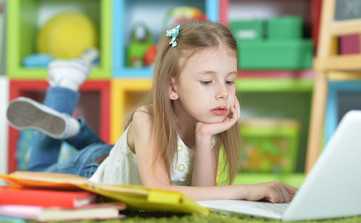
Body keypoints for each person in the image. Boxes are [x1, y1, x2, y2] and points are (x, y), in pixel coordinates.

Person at [7, 21, 297, 202]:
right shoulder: (146, 119)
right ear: (172, 88)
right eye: (207, 81)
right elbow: (159, 192)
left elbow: (204, 197)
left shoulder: (208, 126)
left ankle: (75, 130)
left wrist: (206, 135)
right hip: (92, 170)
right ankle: (65, 86)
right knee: (32, 175)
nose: (223, 91)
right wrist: (246, 190)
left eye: (230, 80)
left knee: (108, 149)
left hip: (121, 155)